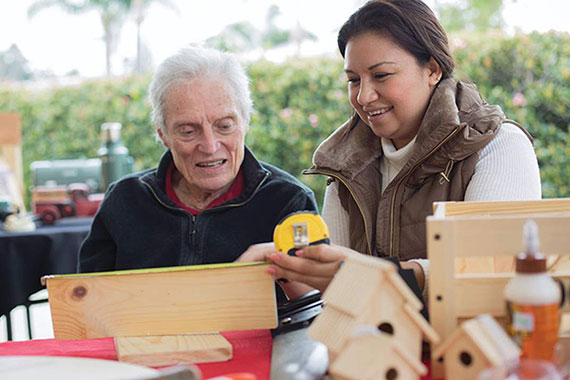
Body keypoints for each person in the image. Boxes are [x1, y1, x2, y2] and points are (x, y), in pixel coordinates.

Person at [242, 0, 541, 299]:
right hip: (376, 344)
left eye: (381, 75)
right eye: (353, 80)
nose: (364, 96)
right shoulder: (344, 165)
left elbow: (490, 267)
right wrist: (292, 268)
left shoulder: (497, 145)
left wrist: (372, 274)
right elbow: (340, 293)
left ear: (433, 69)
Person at [79, 46, 317, 273]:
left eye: (224, 126)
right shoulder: (125, 199)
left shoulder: (288, 200)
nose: (210, 146)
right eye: (188, 131)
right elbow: (87, 299)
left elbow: (312, 303)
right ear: (163, 134)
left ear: (245, 122)